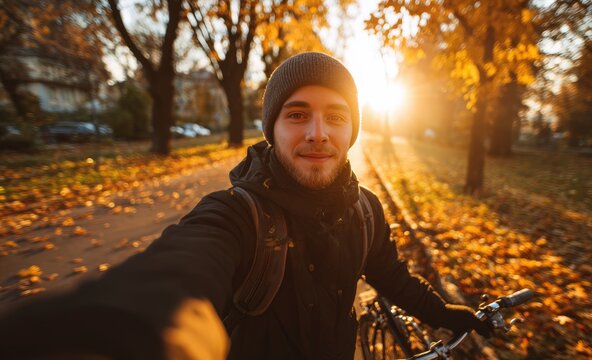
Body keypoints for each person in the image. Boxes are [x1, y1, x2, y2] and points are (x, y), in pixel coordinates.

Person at [0, 52, 490, 359]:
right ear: (273, 130)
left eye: (335, 116)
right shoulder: (239, 215)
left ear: (351, 130)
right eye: (297, 115)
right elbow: (184, 263)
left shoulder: (365, 209)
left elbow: (392, 276)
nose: (318, 133)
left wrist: (447, 312)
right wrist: (121, 326)